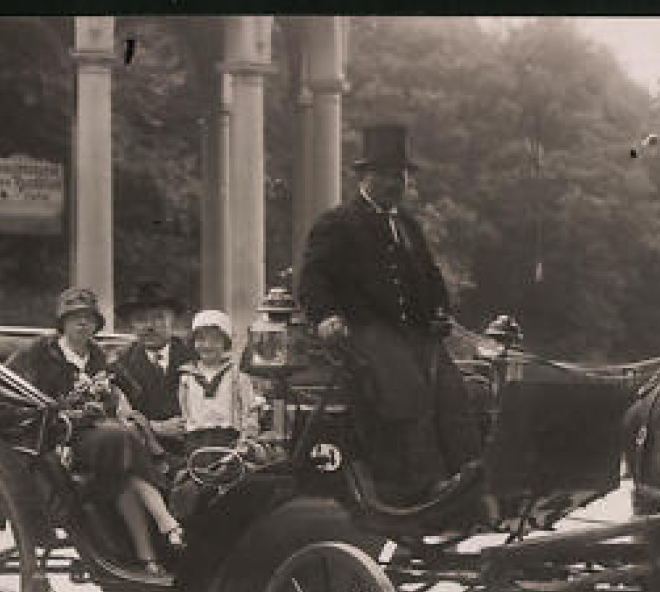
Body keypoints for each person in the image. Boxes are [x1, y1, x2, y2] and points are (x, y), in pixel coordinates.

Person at [298, 123, 482, 502]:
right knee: (408, 390)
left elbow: (431, 278)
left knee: (454, 392)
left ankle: (469, 478)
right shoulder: (338, 223)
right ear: (365, 177)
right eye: (385, 175)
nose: (394, 183)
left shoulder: (408, 225)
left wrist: (439, 312)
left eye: (399, 176)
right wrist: (326, 316)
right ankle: (423, 486)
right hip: (364, 331)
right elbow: (313, 279)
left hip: (415, 335)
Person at [12, 287, 184, 577]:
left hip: (99, 432)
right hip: (59, 435)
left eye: (89, 319)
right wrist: (59, 408)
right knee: (121, 436)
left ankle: (147, 553)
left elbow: (131, 389)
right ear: (63, 323)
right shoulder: (42, 352)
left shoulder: (99, 357)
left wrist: (117, 397)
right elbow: (14, 388)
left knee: (124, 454)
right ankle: (166, 516)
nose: (83, 324)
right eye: (75, 318)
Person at [168, 309, 263, 519]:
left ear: (226, 342)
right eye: (200, 339)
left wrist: (246, 441)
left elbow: (250, 410)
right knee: (194, 490)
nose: (207, 345)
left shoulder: (238, 376)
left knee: (229, 491)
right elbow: (183, 411)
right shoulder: (186, 377)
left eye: (214, 339)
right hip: (197, 442)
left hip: (228, 441)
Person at [112, 280, 194, 449]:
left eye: (159, 317)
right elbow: (115, 420)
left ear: (173, 320)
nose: (149, 326)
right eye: (140, 319)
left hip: (192, 447)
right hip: (141, 453)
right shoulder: (119, 366)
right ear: (131, 325)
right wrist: (154, 428)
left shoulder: (195, 359)